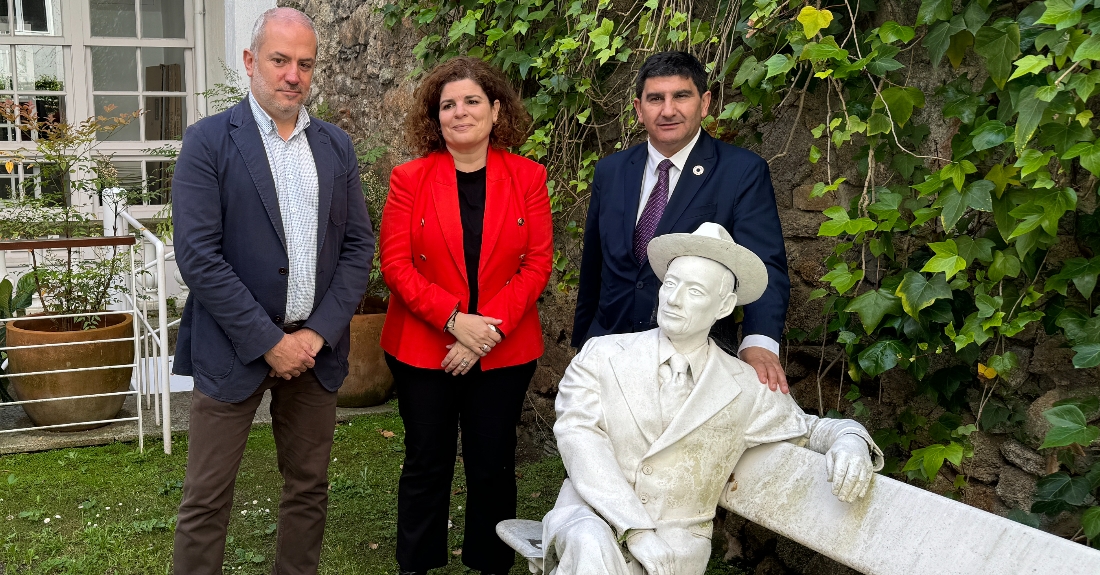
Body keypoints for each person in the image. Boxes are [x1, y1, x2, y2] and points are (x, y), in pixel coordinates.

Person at [543, 223, 881, 575]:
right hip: (590, 516)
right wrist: (636, 530)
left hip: (677, 540)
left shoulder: (745, 387)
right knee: (590, 546)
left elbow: (810, 430)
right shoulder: (601, 354)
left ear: (724, 306)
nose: (673, 299)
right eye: (670, 284)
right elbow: (578, 436)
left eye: (694, 291)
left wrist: (850, 438)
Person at [171, 8, 374, 574]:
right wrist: (268, 341)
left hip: (315, 350)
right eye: (280, 60)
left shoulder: (335, 146)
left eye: (305, 64)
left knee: (308, 489)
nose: (293, 75)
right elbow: (198, 257)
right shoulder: (208, 141)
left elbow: (358, 247)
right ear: (250, 62)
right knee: (207, 497)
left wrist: (314, 334)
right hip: (233, 345)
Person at [379, 56, 553, 575]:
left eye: (472, 101)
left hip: (504, 348)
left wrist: (484, 332)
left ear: (496, 110)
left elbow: (537, 263)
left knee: (492, 464)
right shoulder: (409, 178)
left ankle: (490, 564)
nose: (460, 112)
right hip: (423, 345)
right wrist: (456, 321)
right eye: (447, 104)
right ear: (436, 117)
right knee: (426, 461)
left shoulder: (529, 176)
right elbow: (396, 264)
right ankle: (417, 565)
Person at [572, 51, 793, 393]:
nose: (668, 110)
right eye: (656, 98)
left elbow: (764, 264)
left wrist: (760, 339)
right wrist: (584, 342)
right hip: (609, 350)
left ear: (704, 103)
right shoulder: (611, 171)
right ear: (638, 108)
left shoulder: (741, 171)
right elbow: (595, 266)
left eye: (681, 96)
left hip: (692, 362)